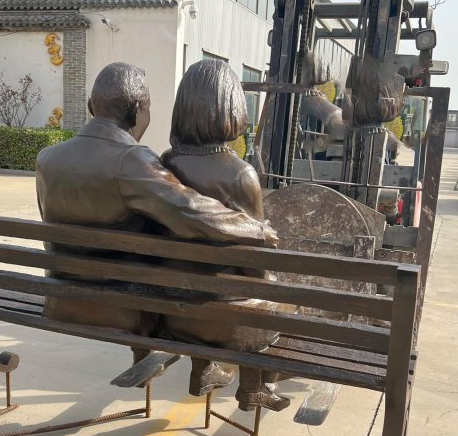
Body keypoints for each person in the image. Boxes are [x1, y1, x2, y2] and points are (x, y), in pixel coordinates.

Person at [36, 62, 279, 390]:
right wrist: (255, 228)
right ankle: (250, 382)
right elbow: (190, 210)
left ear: (93, 107)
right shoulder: (132, 160)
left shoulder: (48, 158)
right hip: (125, 310)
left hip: (59, 300)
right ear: (137, 111)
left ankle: (152, 359)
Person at [161, 59, 288, 412]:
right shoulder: (241, 174)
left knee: (203, 275)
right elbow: (255, 263)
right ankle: (254, 387)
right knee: (270, 294)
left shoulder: (165, 165)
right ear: (232, 106)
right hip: (224, 324)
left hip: (172, 312)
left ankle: (203, 370)